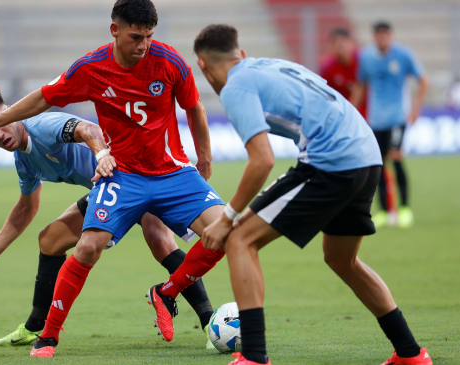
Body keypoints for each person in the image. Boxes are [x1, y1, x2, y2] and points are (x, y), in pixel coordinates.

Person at [149, 24, 432, 365]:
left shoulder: (235, 86)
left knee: (239, 239)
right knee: (342, 259)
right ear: (241, 53)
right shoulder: (270, 65)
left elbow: (262, 160)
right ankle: (411, 353)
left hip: (333, 161)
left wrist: (228, 217)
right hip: (367, 153)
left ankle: (253, 355)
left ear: (203, 67)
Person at [0, 0, 227, 357]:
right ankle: (43, 332)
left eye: (148, 36)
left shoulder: (168, 62)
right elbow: (27, 204)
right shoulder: (87, 73)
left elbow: (92, 126)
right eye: (136, 37)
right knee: (61, 242)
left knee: (203, 233)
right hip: (121, 180)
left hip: (155, 170)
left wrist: (203, 157)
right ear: (115, 30)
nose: (143, 45)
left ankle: (185, 305)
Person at [351, 21, 429, 228]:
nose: (382, 38)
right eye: (378, 34)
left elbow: (423, 80)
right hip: (376, 119)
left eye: (386, 34)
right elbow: (360, 84)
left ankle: (404, 208)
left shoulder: (403, 55)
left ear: (391, 36)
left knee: (396, 155)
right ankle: (385, 211)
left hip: (397, 117)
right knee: (378, 162)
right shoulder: (367, 57)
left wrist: (416, 108)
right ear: (374, 36)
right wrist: (351, 110)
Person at [319, 28, 366, 118]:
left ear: (351, 42)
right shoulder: (328, 67)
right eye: (335, 42)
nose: (340, 44)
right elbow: (326, 93)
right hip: (342, 116)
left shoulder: (363, 61)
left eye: (343, 41)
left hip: (365, 117)